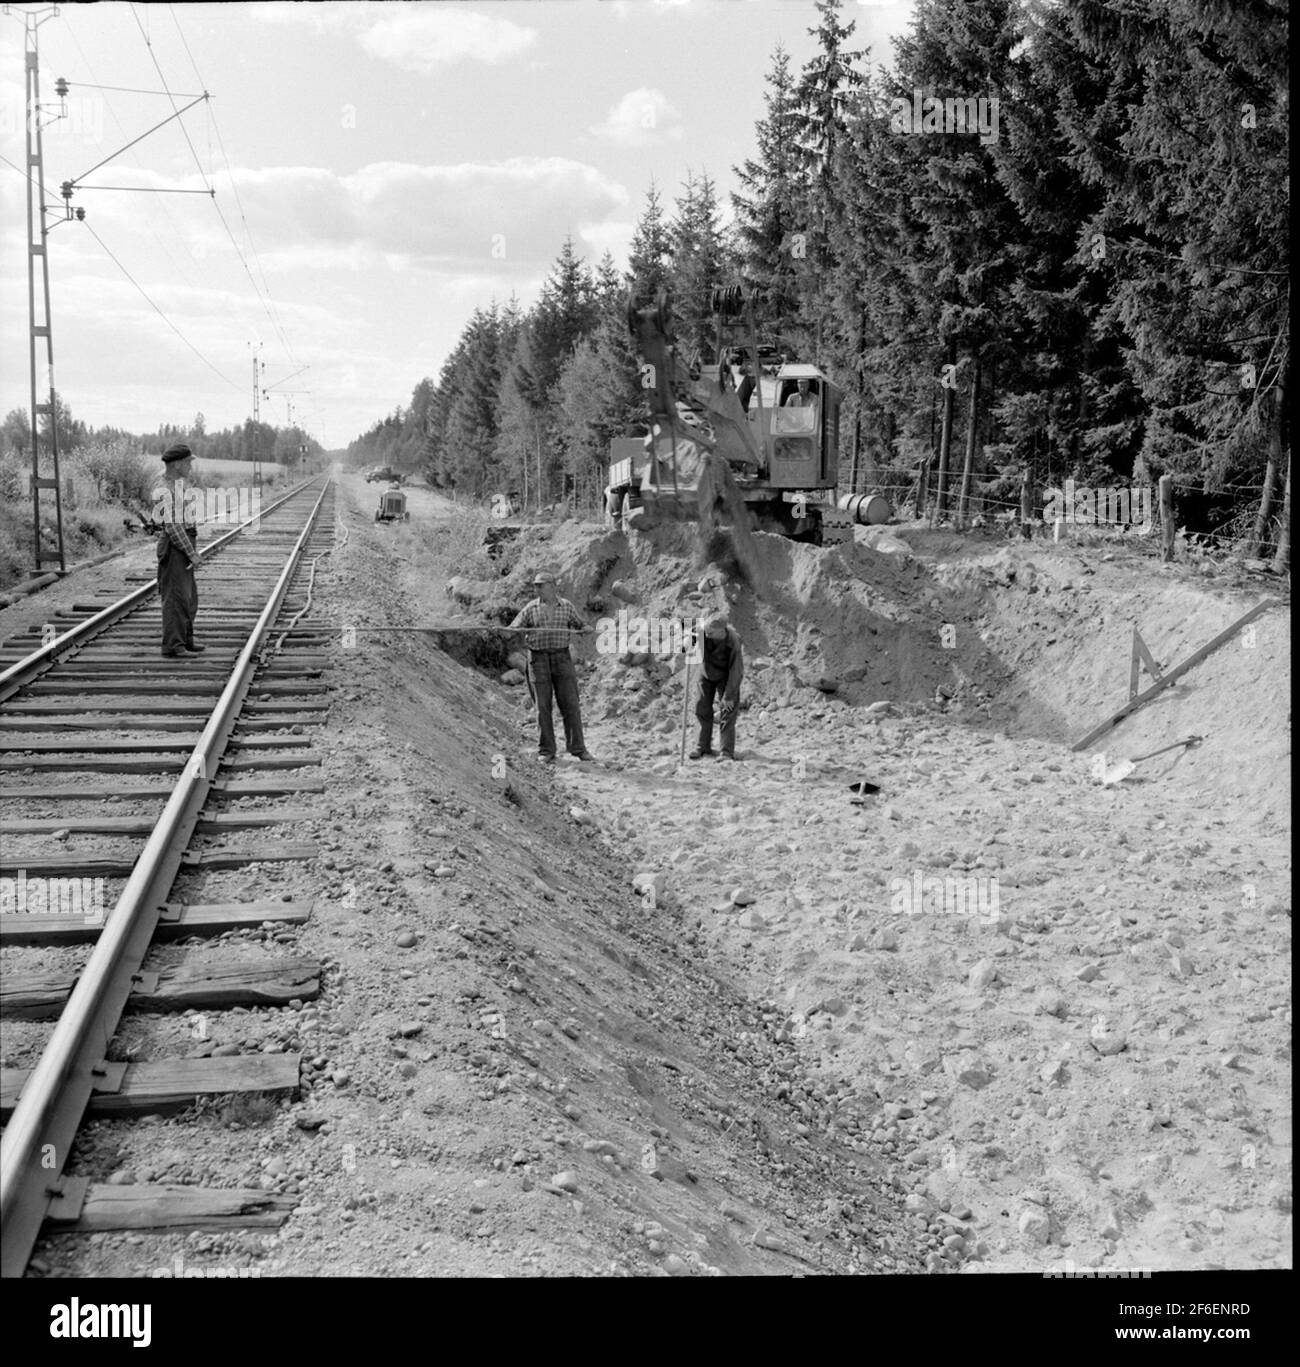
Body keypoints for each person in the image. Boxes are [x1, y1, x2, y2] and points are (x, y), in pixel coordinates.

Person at [510, 571, 594, 763]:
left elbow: (580, 625)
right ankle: (547, 750)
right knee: (542, 706)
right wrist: (510, 630)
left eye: (541, 585)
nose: (537, 588)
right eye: (536, 585)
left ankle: (578, 749)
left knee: (570, 703)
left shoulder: (566, 606)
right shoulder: (530, 608)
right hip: (538, 660)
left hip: (562, 658)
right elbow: (514, 627)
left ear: (552, 586)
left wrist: (586, 629)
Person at [156, 443, 203, 658]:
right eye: (187, 463)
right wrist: (190, 552)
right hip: (176, 547)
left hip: (181, 544)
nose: (190, 467)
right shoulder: (167, 488)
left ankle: (185, 640)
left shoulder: (175, 485)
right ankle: (174, 645)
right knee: (176, 598)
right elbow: (174, 526)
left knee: (188, 597)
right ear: (176, 465)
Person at [690, 613, 743, 760]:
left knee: (727, 710)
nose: (707, 634)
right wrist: (691, 641)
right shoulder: (702, 631)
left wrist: (729, 695)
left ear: (721, 630)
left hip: (726, 676)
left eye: (711, 632)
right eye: (706, 631)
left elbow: (736, 670)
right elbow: (689, 636)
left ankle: (726, 752)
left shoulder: (733, 641)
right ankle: (702, 746)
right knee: (701, 707)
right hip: (706, 672)